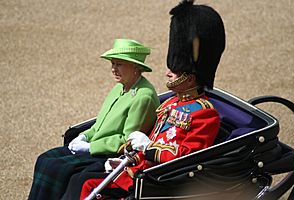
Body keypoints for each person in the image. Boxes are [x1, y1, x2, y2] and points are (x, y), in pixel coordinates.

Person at [62, 1, 226, 199]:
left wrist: (147, 148)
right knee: (76, 178)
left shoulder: (205, 114)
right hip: (136, 169)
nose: (167, 73)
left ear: (190, 77)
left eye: (173, 71)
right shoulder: (170, 103)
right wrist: (127, 157)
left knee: (85, 183)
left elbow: (185, 157)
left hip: (156, 180)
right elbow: (151, 138)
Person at [28, 39, 160, 200]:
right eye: (113, 63)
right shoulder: (120, 87)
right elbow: (100, 124)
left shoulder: (143, 96)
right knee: (44, 159)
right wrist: (84, 136)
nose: (113, 69)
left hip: (106, 154)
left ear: (136, 68)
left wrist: (90, 147)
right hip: (93, 146)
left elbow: (127, 140)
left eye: (119, 64)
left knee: (57, 167)